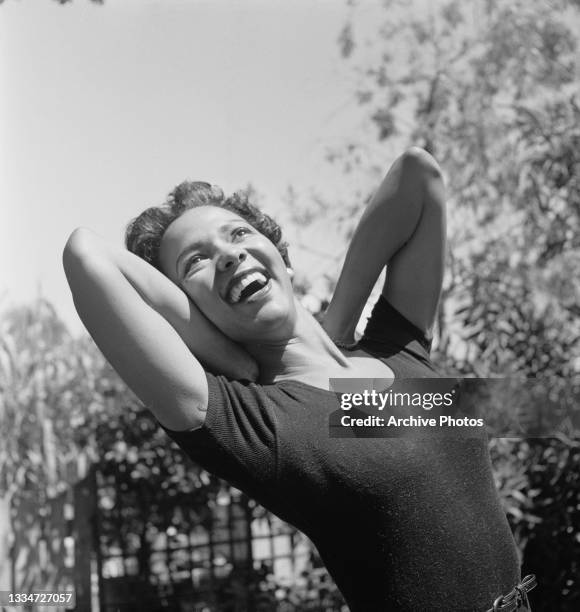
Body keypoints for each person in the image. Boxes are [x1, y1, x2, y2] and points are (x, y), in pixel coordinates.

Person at [63, 148, 535, 611]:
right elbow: (86, 253)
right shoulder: (255, 422)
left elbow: (419, 173)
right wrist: (221, 349)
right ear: (183, 307)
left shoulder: (397, 349)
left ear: (279, 256)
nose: (228, 255)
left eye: (238, 233)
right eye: (195, 262)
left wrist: (339, 323)